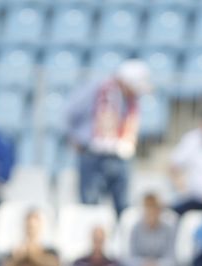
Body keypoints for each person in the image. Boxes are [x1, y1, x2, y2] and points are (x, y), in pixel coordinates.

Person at [64, 61, 150, 213]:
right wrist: (75, 136)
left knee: (122, 207)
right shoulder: (97, 88)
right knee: (89, 206)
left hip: (121, 156)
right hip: (93, 155)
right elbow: (71, 112)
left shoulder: (132, 100)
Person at [122, 192, 179, 266]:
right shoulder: (136, 228)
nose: (151, 214)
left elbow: (172, 260)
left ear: (160, 211)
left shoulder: (168, 230)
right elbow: (129, 258)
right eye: (148, 210)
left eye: (154, 210)